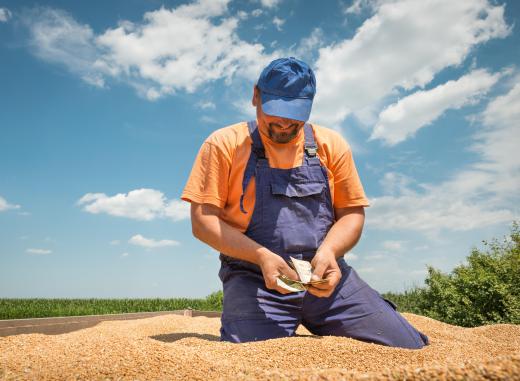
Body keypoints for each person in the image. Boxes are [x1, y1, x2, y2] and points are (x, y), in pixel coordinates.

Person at [181, 57, 429, 349]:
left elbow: (351, 214)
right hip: (254, 278)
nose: (284, 123)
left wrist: (329, 252)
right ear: (255, 96)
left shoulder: (331, 145)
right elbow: (203, 222)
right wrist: (262, 256)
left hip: (327, 277)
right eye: (275, 112)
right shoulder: (223, 145)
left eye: (295, 114)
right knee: (251, 357)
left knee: (408, 346)